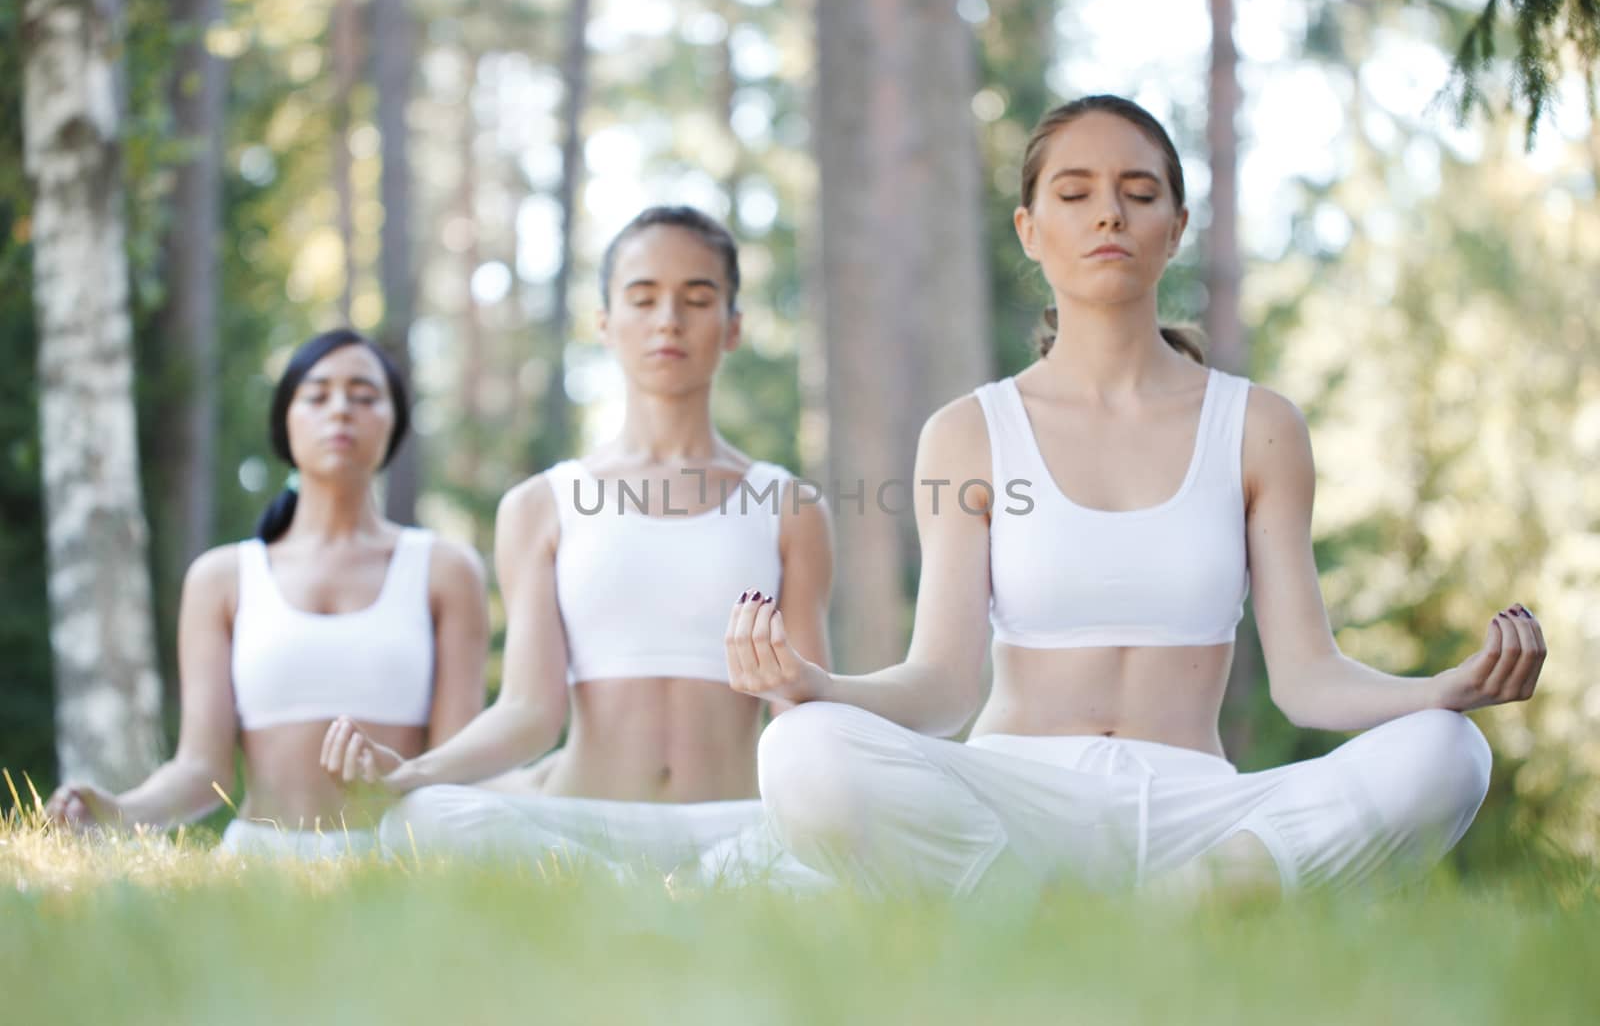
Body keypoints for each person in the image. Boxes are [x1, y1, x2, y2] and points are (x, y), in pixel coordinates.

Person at [723, 95, 1546, 898]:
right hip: (1016, 802)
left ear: (1176, 227)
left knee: (1449, 753)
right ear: (1030, 230)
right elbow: (940, 686)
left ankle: (1164, 906)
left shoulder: (1257, 425)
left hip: (1200, 810)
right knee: (802, 749)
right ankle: (1058, 905)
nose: (1109, 215)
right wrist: (815, 685)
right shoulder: (968, 432)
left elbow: (1307, 677)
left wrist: (1439, 690)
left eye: (1140, 193)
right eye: (1074, 194)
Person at [324, 207, 833, 882]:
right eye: (642, 298)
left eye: (698, 299)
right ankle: (655, 896)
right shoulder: (542, 505)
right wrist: (412, 773)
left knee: (839, 846)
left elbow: (803, 717)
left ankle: (671, 896)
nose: (668, 321)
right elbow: (532, 711)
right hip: (582, 826)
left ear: (733, 325)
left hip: (736, 823)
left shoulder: (789, 505)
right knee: (421, 818)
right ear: (604, 322)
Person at [45, 330, 490, 859]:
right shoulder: (222, 577)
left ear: (395, 422)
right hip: (257, 865)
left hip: (400, 864)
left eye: (365, 395)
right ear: (285, 420)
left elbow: (458, 764)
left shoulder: (446, 570)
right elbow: (200, 768)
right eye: (317, 395)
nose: (341, 410)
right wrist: (121, 811)